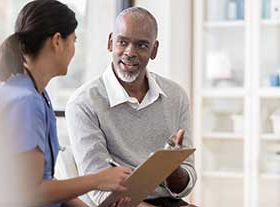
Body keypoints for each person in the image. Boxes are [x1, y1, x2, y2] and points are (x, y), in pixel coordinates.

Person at [0, 1, 131, 206]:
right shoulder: (26, 102)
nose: (74, 50)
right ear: (57, 41)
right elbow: (31, 192)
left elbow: (45, 183)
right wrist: (97, 180)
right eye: (74, 40)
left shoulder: (35, 94)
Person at [66, 6, 197, 207]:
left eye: (142, 45)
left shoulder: (176, 96)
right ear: (111, 42)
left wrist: (174, 171)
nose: (130, 52)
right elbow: (99, 191)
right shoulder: (83, 103)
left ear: (154, 50)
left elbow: (186, 182)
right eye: (123, 42)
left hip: (168, 201)